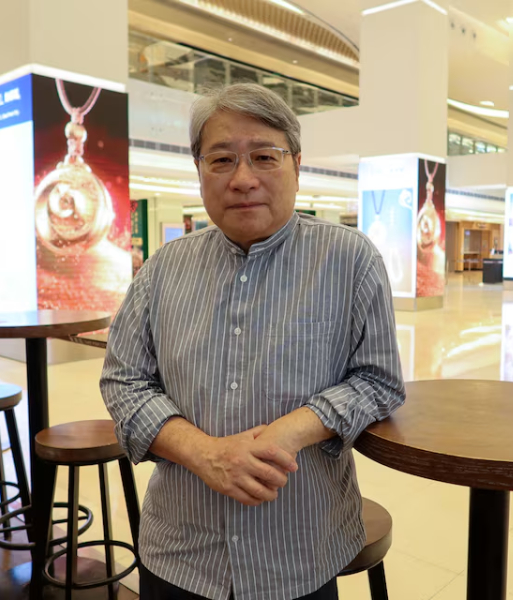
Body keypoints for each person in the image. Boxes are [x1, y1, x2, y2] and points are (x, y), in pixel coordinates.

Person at [100, 83, 406, 600]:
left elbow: (378, 381)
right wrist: (204, 453)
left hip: (299, 550)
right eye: (221, 160)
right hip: (180, 549)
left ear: (297, 164)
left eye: (264, 156)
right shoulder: (161, 269)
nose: (243, 179)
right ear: (199, 170)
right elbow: (124, 380)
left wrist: (288, 433)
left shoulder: (351, 261)